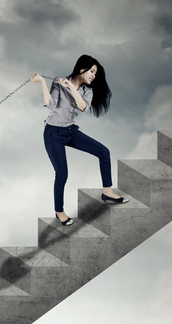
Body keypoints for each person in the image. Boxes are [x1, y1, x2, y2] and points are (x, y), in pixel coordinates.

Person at [31, 54, 127, 226]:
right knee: (62, 174)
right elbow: (50, 105)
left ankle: (107, 192)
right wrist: (42, 82)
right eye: (92, 71)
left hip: (71, 132)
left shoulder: (87, 91)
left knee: (104, 152)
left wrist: (71, 87)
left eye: (95, 73)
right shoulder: (58, 83)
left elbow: (82, 107)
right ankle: (59, 211)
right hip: (53, 134)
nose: (93, 76)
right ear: (82, 69)